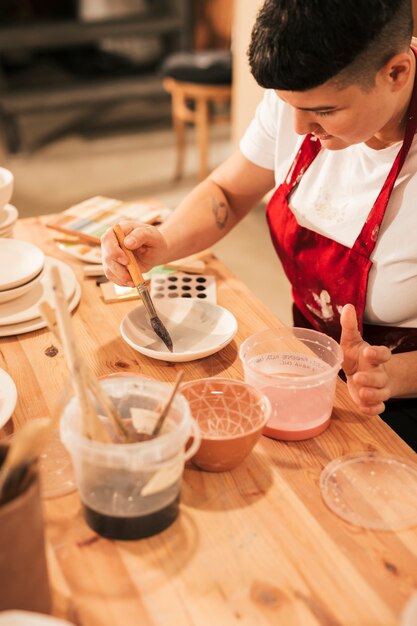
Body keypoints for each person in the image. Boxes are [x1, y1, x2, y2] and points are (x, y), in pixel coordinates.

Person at [101, 0, 417, 450]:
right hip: (308, 362)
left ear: (396, 73)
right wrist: (164, 241)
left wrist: (396, 375)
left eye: (324, 111)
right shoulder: (299, 102)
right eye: (287, 104)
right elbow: (228, 194)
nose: (298, 126)